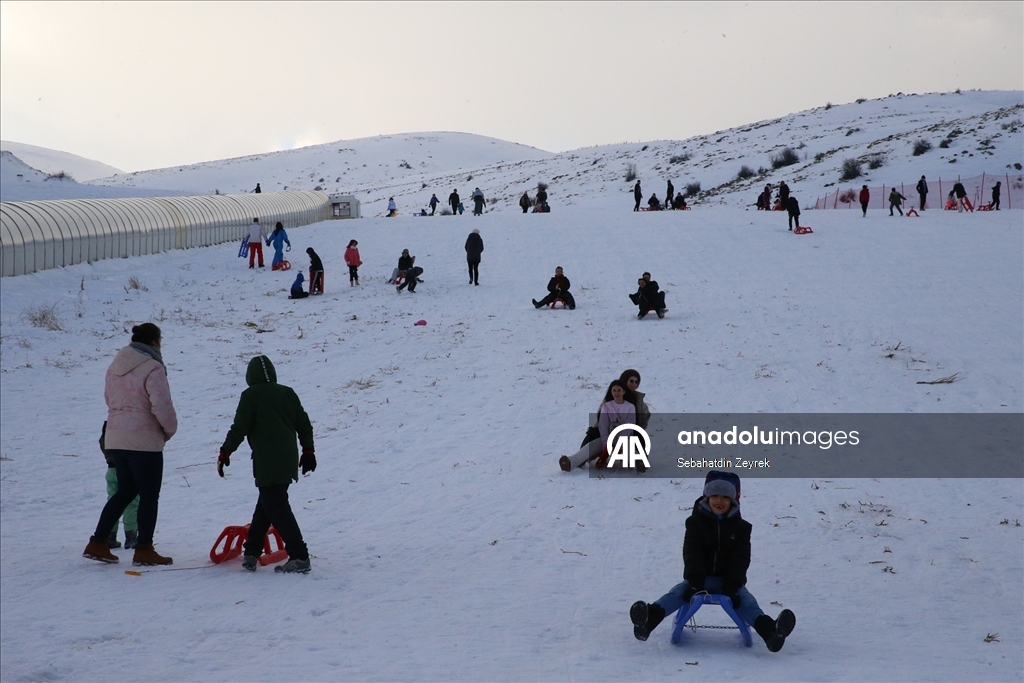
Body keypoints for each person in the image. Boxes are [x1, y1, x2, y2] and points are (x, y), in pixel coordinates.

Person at [629, 471, 797, 652]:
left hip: (729, 582)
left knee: (747, 602)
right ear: (706, 498)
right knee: (677, 593)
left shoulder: (741, 528)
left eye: (725, 497)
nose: (719, 501)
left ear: (733, 501)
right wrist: (694, 583)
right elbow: (692, 554)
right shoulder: (695, 523)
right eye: (714, 495)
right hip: (700, 580)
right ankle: (647, 621)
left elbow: (740, 559)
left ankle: (771, 632)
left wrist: (732, 586)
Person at [83, 323, 177, 566]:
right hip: (143, 440)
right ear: (155, 342)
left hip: (115, 436)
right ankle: (144, 548)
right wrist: (169, 429)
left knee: (125, 491)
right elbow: (161, 404)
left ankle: (98, 541)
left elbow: (109, 398)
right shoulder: (153, 367)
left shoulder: (115, 365)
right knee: (148, 495)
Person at [217, 355, 316, 574]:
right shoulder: (287, 392)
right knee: (268, 503)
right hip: (288, 457)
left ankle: (299, 556)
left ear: (250, 376)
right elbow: (304, 423)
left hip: (267, 460)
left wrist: (225, 452)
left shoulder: (250, 395)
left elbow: (239, 428)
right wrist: (308, 450)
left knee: (276, 506)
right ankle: (252, 552)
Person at [559, 379, 636, 471]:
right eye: (614, 390)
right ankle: (571, 462)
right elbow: (603, 426)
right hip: (608, 438)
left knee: (630, 459)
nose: (616, 393)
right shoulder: (607, 406)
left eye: (619, 390)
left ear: (624, 391)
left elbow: (629, 426)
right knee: (590, 446)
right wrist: (606, 443)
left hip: (625, 440)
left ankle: (635, 462)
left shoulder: (630, 407)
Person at [99, 421, 139, 550]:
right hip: (127, 471)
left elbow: (102, 443)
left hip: (110, 470)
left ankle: (110, 537)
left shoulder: (109, 426)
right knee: (131, 503)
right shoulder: (128, 427)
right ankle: (131, 537)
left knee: (113, 502)